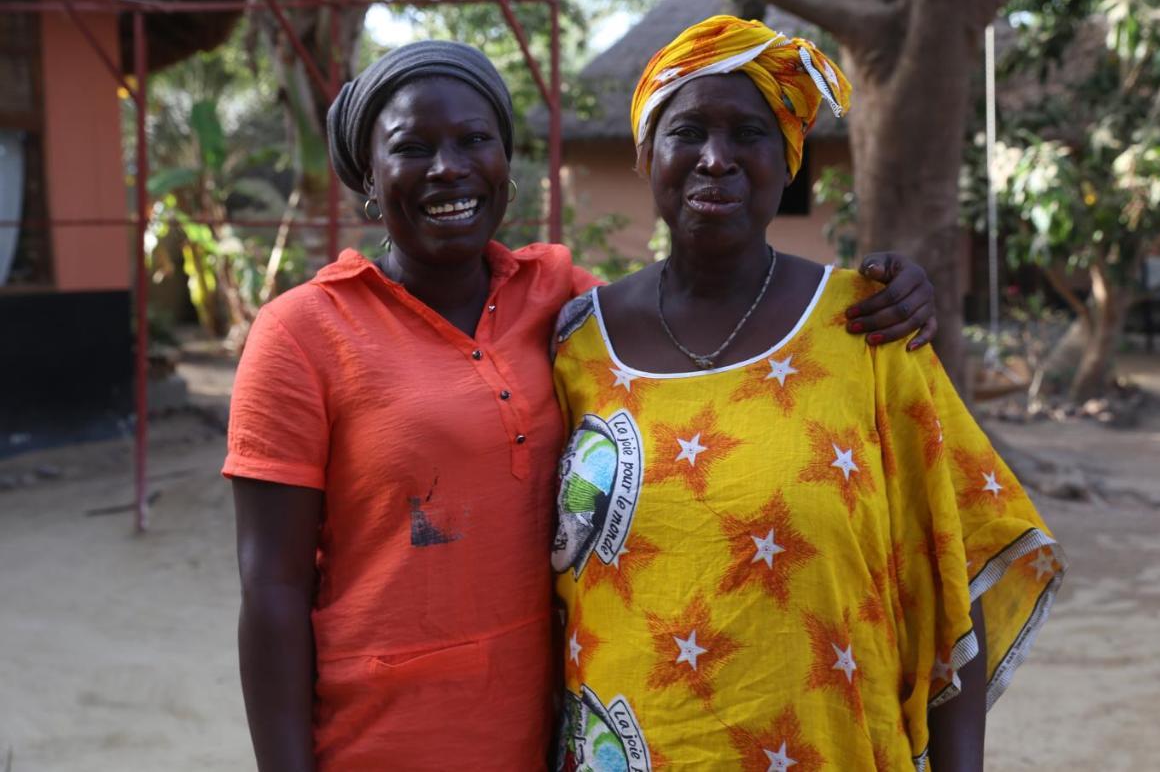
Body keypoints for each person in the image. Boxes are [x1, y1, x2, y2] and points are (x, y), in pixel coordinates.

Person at [224, 38, 940, 771]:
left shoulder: (564, 301)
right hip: (382, 741)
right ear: (370, 178)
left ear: (506, 165)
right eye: (413, 147)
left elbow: (696, 326)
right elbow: (272, 590)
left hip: (553, 738)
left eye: (476, 140)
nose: (450, 167)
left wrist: (897, 290)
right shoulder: (302, 334)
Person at [550, 15, 1065, 772]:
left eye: (749, 134)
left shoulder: (868, 328)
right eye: (686, 131)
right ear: (646, 155)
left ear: (788, 158)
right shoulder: (573, 343)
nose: (716, 159)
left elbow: (952, 579)